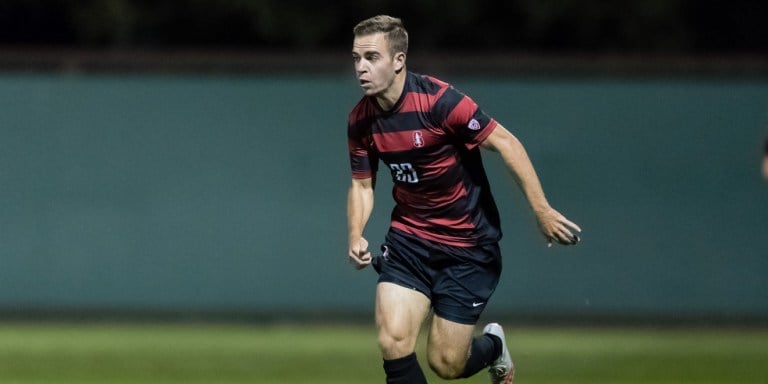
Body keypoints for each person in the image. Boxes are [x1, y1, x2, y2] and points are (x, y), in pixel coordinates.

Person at [346, 15, 581, 384]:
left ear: (398, 61)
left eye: (372, 57)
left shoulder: (440, 102)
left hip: (467, 247)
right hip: (409, 241)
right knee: (392, 340)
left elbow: (505, 143)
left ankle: (493, 347)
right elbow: (362, 185)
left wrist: (542, 210)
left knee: (446, 364)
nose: (361, 67)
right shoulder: (361, 121)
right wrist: (356, 234)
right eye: (357, 58)